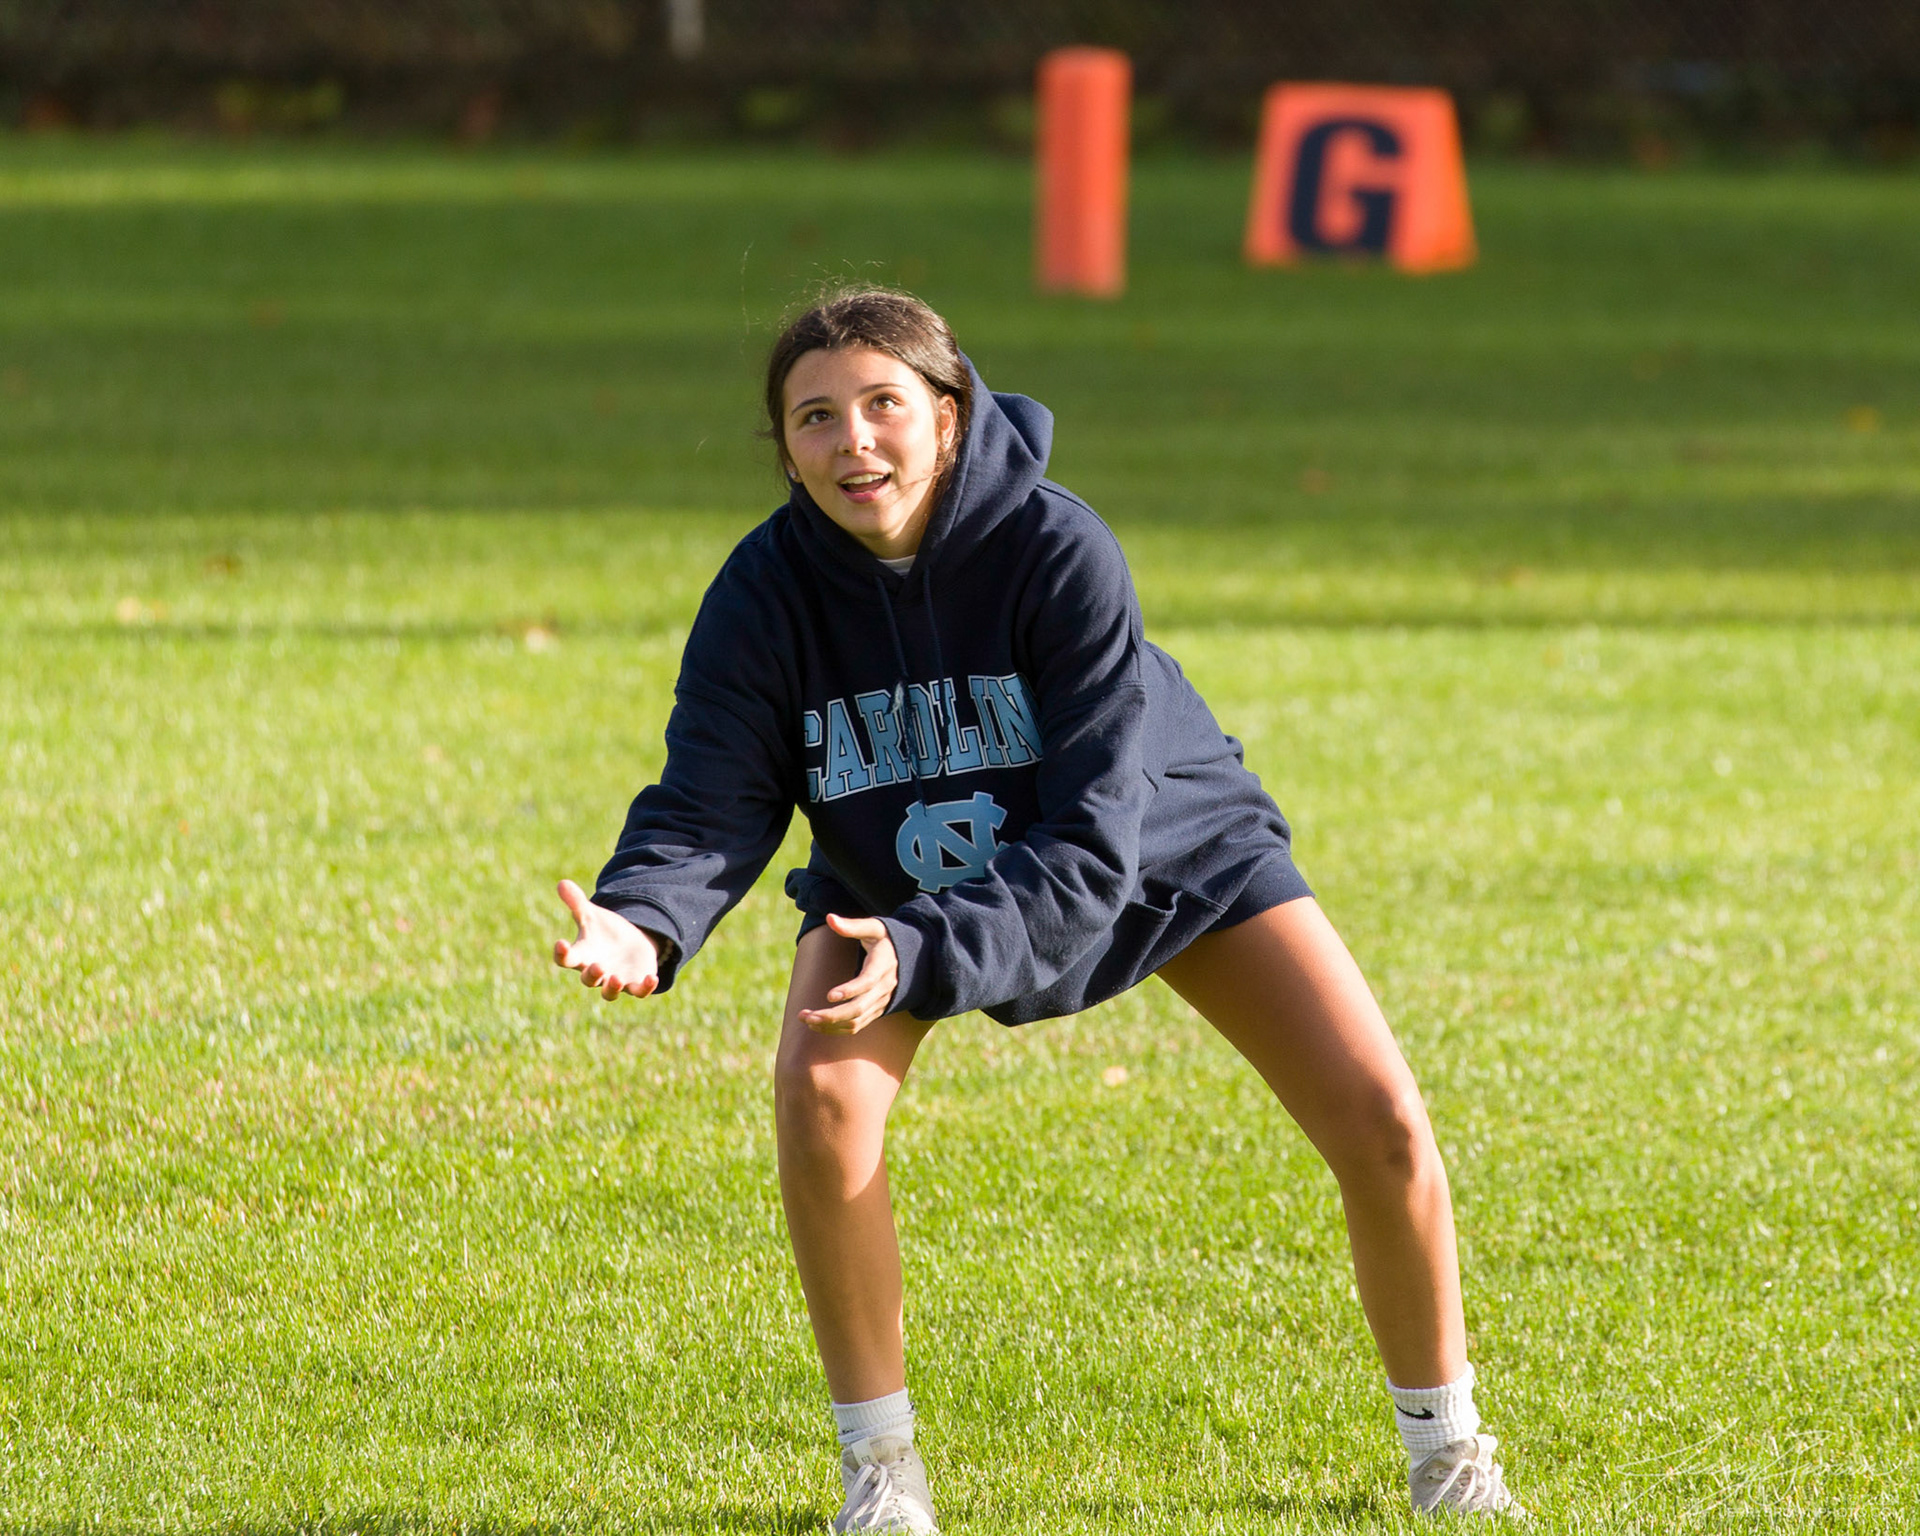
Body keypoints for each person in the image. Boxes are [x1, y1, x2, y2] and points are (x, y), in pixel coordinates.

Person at [552, 287, 1523, 1529]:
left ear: (949, 416)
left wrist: (925, 949)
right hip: (895, 889)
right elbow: (712, 796)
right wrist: (643, 917)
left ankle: (1449, 1454)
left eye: (884, 404)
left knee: (1381, 1116)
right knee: (820, 1100)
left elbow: (1093, 841)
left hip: (1156, 849)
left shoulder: (1058, 548)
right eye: (815, 417)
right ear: (784, 447)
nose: (854, 440)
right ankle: (881, 1479)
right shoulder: (763, 593)